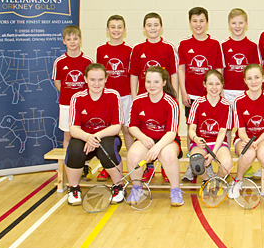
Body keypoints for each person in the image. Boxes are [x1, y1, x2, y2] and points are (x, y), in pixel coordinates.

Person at [64, 63, 125, 206]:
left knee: (107, 149)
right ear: (85, 79)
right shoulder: (77, 97)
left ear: (106, 79)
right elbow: (74, 129)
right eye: (92, 79)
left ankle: (118, 186)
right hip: (85, 137)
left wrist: (95, 137)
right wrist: (88, 137)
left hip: (107, 136)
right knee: (74, 149)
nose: (96, 83)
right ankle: (73, 188)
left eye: (100, 79)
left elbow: (116, 127)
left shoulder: (113, 95)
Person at [129, 12, 179, 183]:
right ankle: (148, 168)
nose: (152, 28)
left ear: (161, 27)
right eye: (149, 25)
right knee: (146, 133)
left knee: (163, 130)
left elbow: (173, 73)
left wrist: (175, 95)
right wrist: (135, 97)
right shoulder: (137, 48)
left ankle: (166, 167)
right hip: (144, 99)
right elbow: (134, 75)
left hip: (163, 96)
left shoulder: (168, 47)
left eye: (156, 24)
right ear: (144, 28)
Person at [178, 7, 224, 182]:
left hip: (212, 96)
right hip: (192, 95)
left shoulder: (214, 44)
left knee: (215, 130)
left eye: (201, 21)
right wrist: (183, 91)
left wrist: (219, 93)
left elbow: (219, 70)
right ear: (190, 23)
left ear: (207, 22)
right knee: (193, 130)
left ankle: (212, 163)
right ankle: (193, 164)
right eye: (194, 21)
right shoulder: (184, 45)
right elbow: (181, 69)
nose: (198, 24)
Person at [126, 66, 184, 206]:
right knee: (133, 154)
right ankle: (136, 189)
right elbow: (132, 127)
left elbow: (171, 132)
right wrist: (144, 138)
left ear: (164, 82)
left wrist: (158, 147)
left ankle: (175, 190)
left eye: (156, 82)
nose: (152, 86)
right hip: (145, 138)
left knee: (168, 155)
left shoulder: (171, 103)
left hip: (167, 140)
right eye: (148, 82)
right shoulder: (138, 101)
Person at [231, 64, 264, 198]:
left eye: (257, 77)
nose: (253, 82)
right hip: (244, 137)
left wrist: (256, 142)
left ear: (263, 78)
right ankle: (237, 181)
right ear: (245, 80)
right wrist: (246, 140)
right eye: (250, 78)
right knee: (248, 154)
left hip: (263, 137)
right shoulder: (238, 101)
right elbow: (240, 129)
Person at [52, 25, 94, 179]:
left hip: (84, 105)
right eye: (68, 39)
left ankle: (85, 166)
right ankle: (68, 167)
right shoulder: (60, 61)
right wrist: (68, 95)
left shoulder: (87, 60)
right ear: (64, 41)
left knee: (84, 135)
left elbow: (92, 82)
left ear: (80, 40)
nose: (72, 42)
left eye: (75, 38)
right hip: (66, 105)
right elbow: (57, 82)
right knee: (68, 135)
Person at [96, 14, 133, 182]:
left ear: (124, 30)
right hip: (108, 98)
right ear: (107, 30)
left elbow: (133, 75)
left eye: (119, 27)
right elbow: (98, 76)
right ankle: (108, 165)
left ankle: (133, 164)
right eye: (113, 27)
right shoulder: (101, 50)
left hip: (126, 96)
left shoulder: (130, 50)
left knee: (127, 129)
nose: (116, 30)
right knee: (109, 132)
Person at [187, 70, 233, 184]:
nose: (214, 87)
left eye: (217, 84)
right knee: (195, 162)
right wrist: (196, 138)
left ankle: (217, 180)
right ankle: (207, 181)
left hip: (219, 143)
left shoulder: (227, 105)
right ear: (204, 85)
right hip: (202, 143)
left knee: (227, 164)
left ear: (222, 85)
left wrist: (213, 153)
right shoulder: (197, 103)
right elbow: (191, 129)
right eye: (210, 84)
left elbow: (223, 132)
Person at [221, 8, 260, 103]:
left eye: (241, 23)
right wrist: (221, 91)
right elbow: (220, 70)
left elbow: (257, 70)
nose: (237, 26)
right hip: (227, 92)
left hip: (247, 91)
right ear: (229, 24)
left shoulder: (252, 45)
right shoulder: (223, 45)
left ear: (246, 24)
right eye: (234, 23)